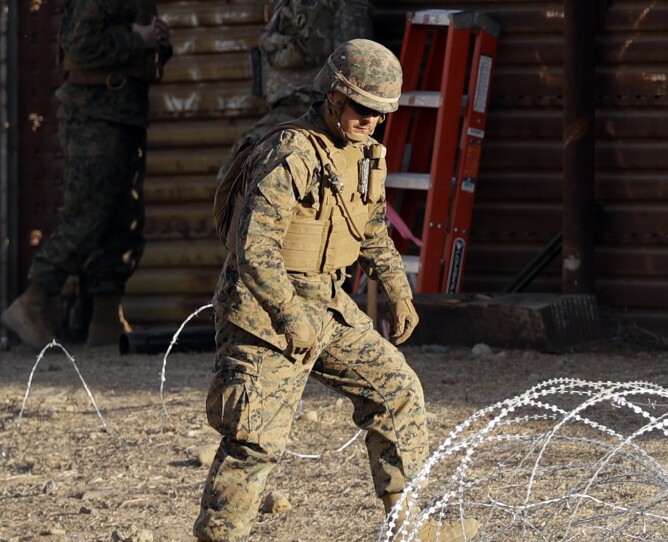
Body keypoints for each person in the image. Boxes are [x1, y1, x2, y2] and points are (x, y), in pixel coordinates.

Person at [194, 39, 479, 542]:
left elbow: (370, 228)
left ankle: (406, 524)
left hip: (326, 300)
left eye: (381, 112)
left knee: (395, 389)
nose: (371, 119)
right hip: (264, 308)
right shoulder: (291, 154)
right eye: (362, 108)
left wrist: (398, 287)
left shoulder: (366, 155)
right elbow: (253, 252)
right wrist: (289, 317)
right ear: (333, 97)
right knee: (255, 437)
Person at [1, 0, 172, 349]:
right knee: (89, 213)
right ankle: (33, 301)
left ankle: (106, 318)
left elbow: (134, 50)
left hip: (126, 115)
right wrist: (138, 39)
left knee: (124, 220)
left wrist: (158, 43)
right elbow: (80, 47)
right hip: (93, 117)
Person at [215, 0, 373, 183]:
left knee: (236, 169)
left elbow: (314, 47)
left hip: (309, 103)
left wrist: (269, 42)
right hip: (301, 105)